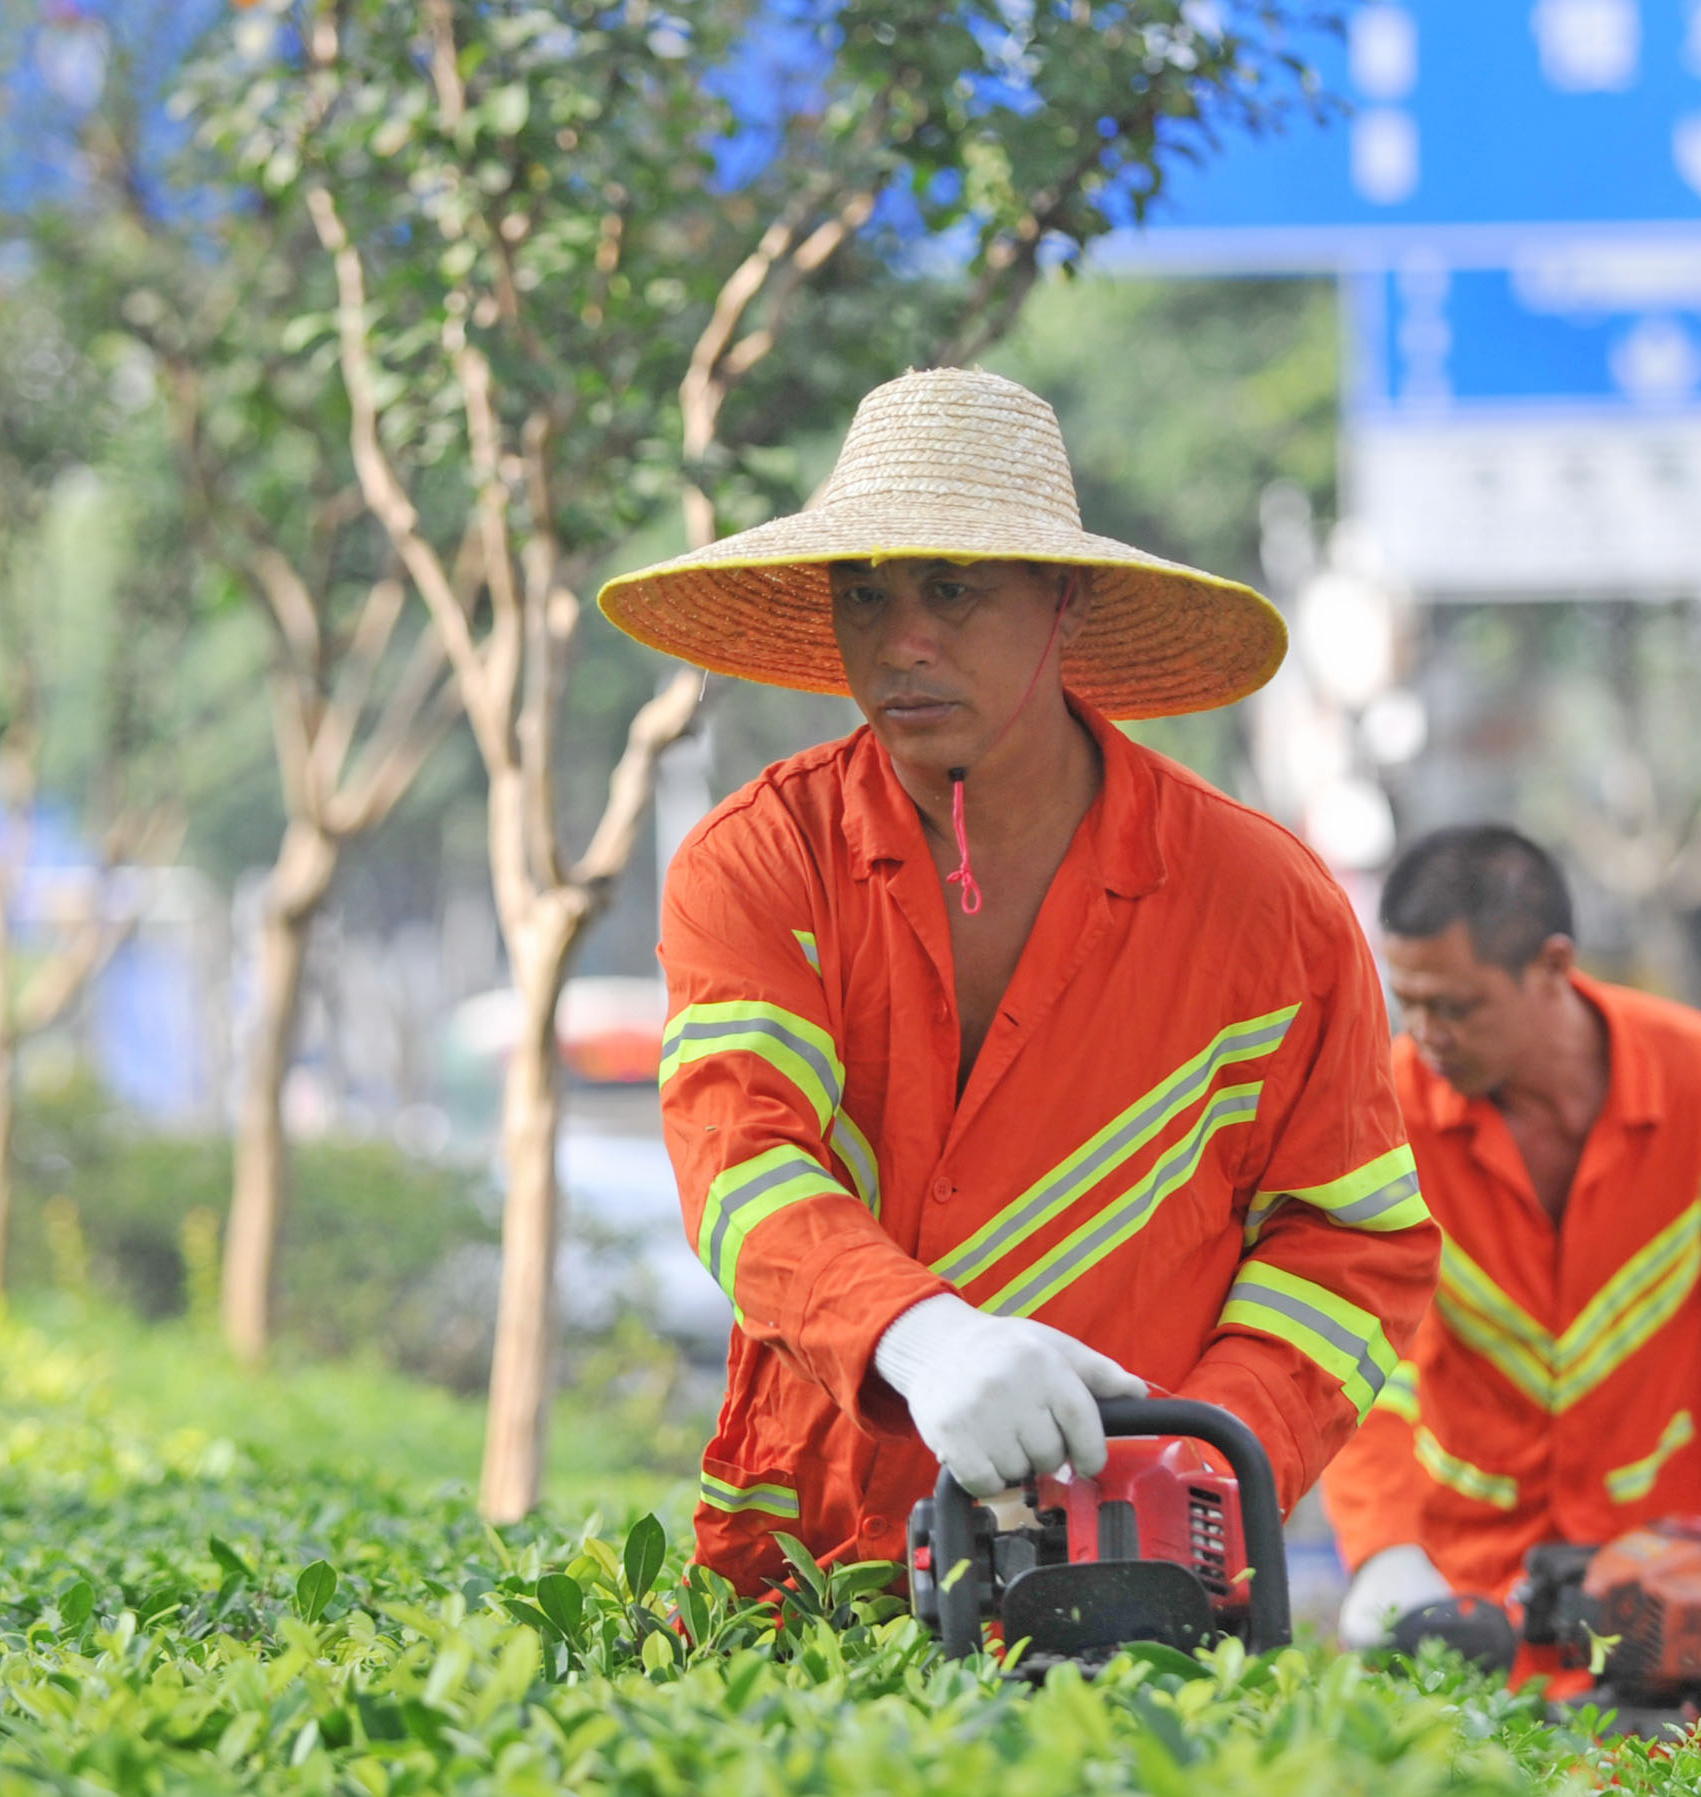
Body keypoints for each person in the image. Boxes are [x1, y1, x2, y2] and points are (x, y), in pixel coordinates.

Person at [595, 367, 1437, 1596]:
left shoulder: (1266, 905)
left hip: (1143, 1576)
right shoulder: (762, 863)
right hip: (805, 1566)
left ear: (1067, 603)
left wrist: (1196, 1462)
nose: (900, 641)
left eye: (952, 589)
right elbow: (741, 1161)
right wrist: (921, 1342)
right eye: (864, 593)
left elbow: (1349, 1240)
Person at [1325, 826, 1701, 1649]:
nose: (1426, 1034)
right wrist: (1383, 1550)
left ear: (1553, 966)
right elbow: (1361, 1356)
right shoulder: (1383, 1116)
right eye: (1411, 1002)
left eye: (1456, 1006)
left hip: (1673, 1578)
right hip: (1470, 1593)